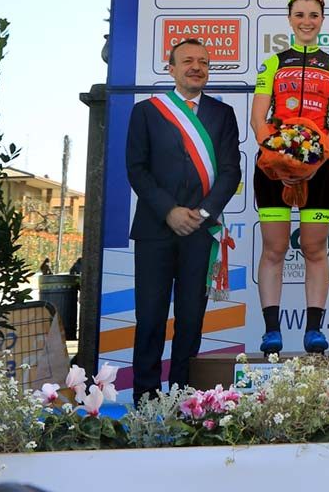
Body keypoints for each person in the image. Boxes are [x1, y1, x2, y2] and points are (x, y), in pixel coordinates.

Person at [126, 38, 240, 403]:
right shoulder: (147, 112)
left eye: (203, 62)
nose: (196, 67)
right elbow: (137, 169)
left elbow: (230, 171)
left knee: (191, 319)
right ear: (171, 68)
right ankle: (145, 399)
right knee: (150, 317)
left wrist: (203, 213)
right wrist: (169, 211)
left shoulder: (223, 115)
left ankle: (183, 399)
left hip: (200, 232)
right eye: (188, 61)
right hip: (154, 229)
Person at [252, 0, 329, 355]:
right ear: (289, 19)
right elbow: (258, 118)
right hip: (273, 168)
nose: (306, 21)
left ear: (322, 20)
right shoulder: (272, 64)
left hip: (319, 166)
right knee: (274, 247)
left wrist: (315, 159)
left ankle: (314, 330)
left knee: (314, 246)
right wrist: (279, 159)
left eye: (313, 15)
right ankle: (271, 331)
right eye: (300, 15)